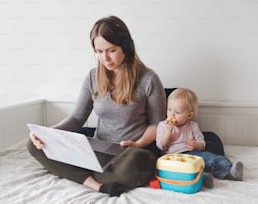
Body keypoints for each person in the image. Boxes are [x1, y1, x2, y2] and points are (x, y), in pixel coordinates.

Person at [27, 15, 166, 196]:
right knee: (32, 144)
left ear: (126, 47)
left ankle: (78, 175)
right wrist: (47, 134)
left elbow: (158, 125)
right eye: (99, 52)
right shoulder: (92, 77)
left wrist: (137, 144)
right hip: (96, 152)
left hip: (130, 154)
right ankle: (96, 184)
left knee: (138, 160)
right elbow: (77, 118)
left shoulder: (149, 79)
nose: (104, 58)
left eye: (111, 50)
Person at [156, 88, 243, 184]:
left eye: (177, 112)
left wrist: (196, 145)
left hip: (192, 155)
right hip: (172, 157)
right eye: (169, 110)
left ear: (189, 115)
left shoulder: (193, 126)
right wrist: (168, 131)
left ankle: (229, 172)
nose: (171, 115)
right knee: (178, 170)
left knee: (211, 158)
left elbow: (202, 144)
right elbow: (161, 145)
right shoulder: (163, 125)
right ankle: (202, 178)